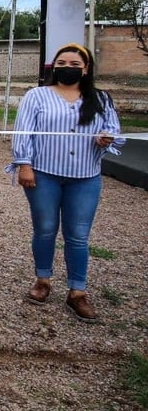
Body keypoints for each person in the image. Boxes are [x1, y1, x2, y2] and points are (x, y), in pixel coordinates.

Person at [9, 43, 123, 323]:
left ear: (86, 69)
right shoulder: (36, 96)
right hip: (44, 174)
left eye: (75, 64)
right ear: (53, 66)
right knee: (45, 230)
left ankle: (78, 292)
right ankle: (43, 281)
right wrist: (24, 165)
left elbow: (114, 131)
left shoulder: (101, 99)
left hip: (85, 178)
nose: (68, 68)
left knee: (78, 236)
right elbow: (24, 131)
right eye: (62, 63)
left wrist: (106, 139)